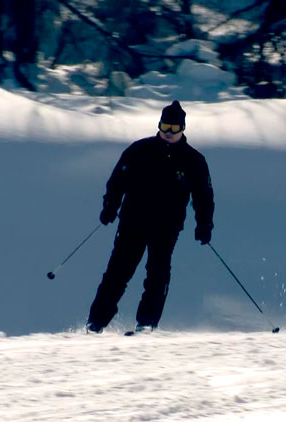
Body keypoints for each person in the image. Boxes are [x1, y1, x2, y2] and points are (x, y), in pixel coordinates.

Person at [86, 100, 214, 334]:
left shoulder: (193, 160)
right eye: (165, 126)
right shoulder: (139, 150)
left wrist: (204, 225)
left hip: (167, 226)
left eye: (174, 128)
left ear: (183, 129)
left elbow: (203, 196)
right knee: (117, 272)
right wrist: (110, 207)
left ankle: (147, 322)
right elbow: (117, 181)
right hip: (132, 222)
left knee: (157, 273)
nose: (168, 132)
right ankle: (95, 322)